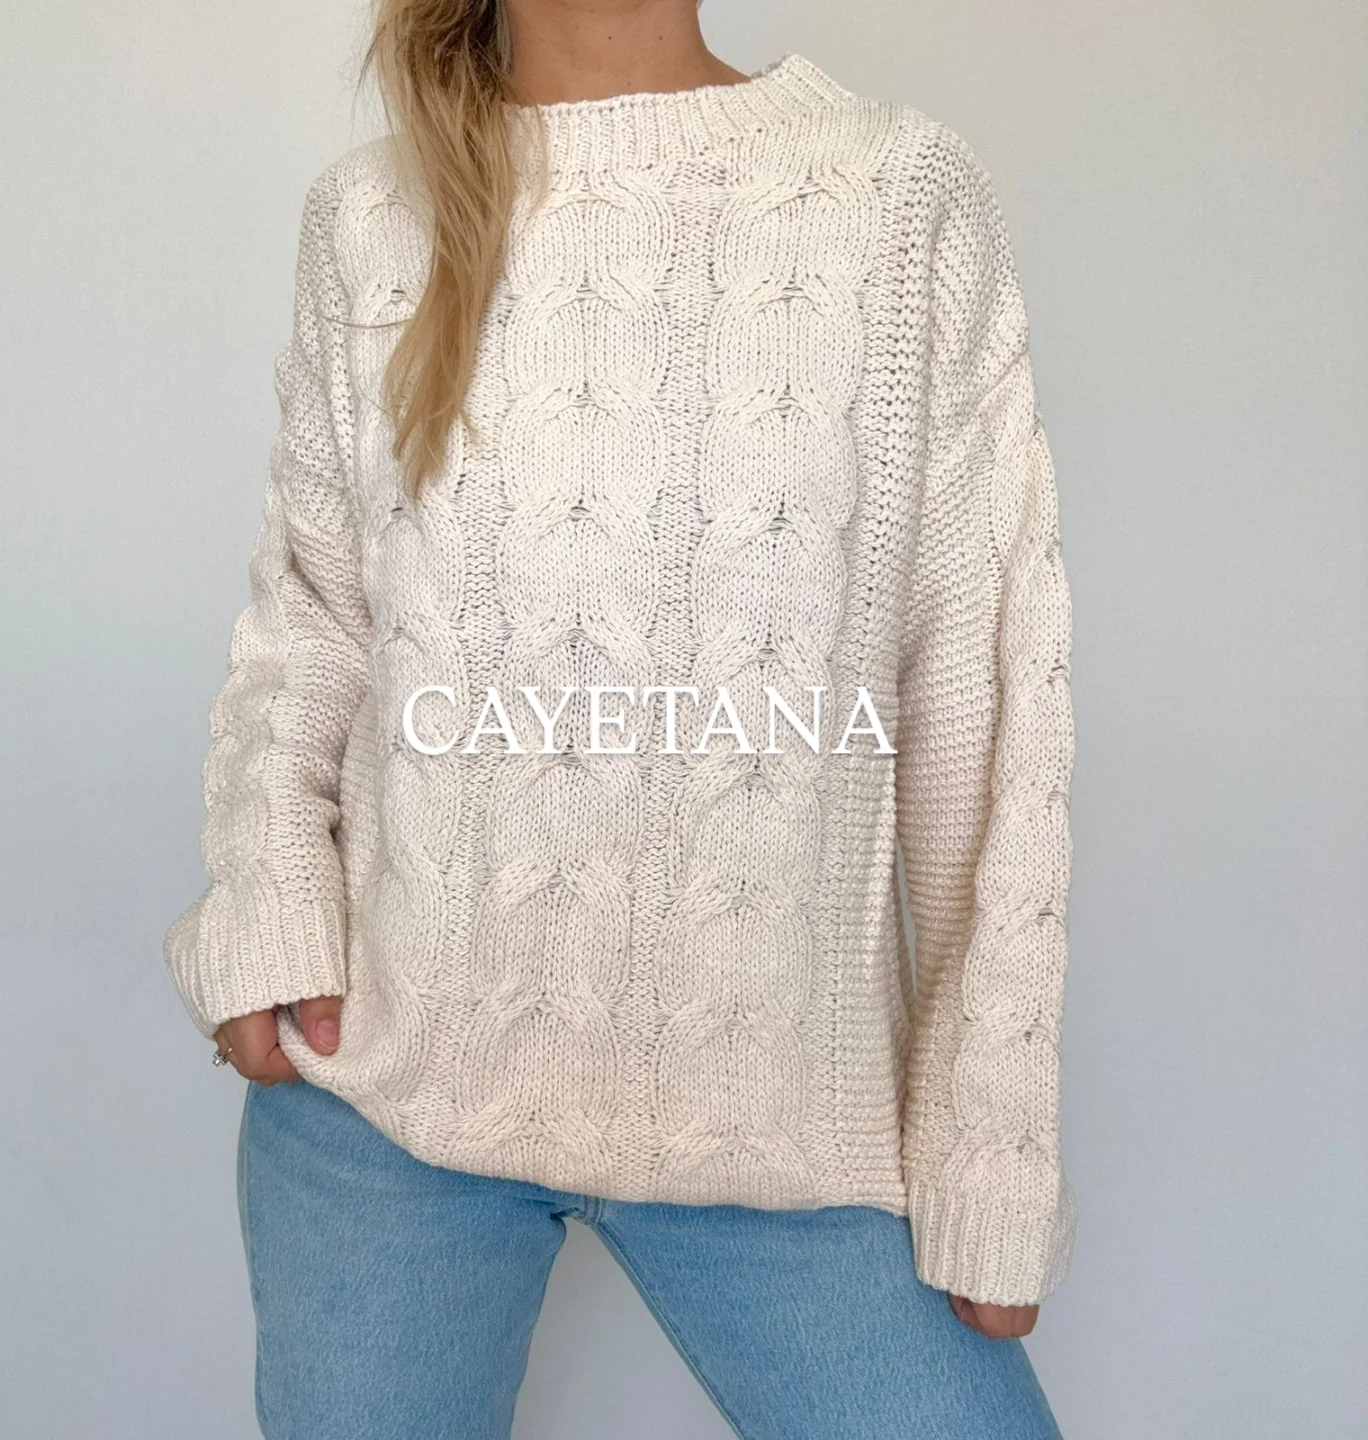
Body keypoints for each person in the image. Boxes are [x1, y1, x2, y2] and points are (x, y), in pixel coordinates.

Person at [164, 2, 1078, 1435]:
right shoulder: (370, 214)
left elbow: (985, 695)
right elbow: (313, 618)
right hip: (382, 1116)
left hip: (785, 1124)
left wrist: (989, 1146)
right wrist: (268, 908)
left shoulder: (897, 194)